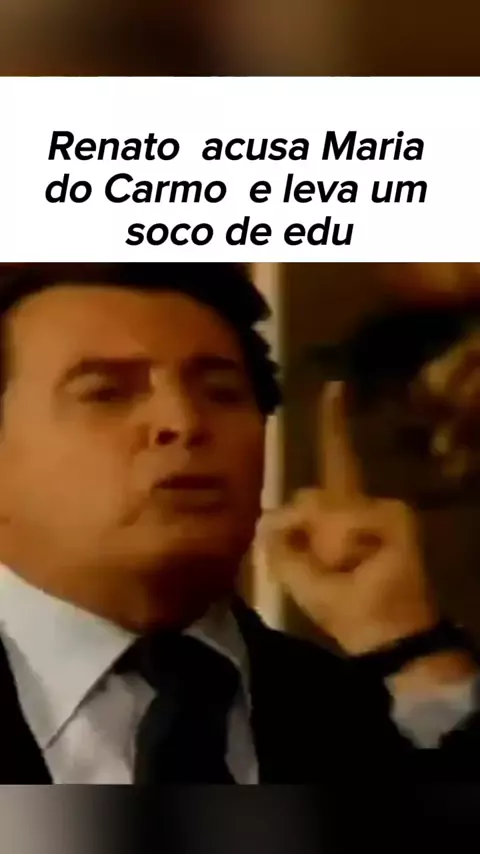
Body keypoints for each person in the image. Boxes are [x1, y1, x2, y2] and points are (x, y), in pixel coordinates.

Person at [0, 263, 479, 806]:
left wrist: (407, 642)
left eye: (221, 393)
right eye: (107, 393)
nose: (184, 420)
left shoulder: (358, 713)